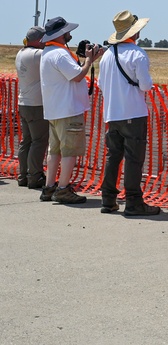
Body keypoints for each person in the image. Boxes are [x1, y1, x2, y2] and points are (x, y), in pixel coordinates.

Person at [96, 10, 161, 216]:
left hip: (112, 113)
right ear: (135, 32)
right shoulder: (137, 54)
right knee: (134, 159)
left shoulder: (107, 55)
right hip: (133, 112)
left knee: (112, 156)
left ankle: (108, 199)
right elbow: (145, 85)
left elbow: (100, 84)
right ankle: (133, 201)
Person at [39, 16, 104, 204]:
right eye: (67, 31)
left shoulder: (49, 52)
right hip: (67, 110)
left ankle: (50, 186)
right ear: (61, 34)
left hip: (55, 110)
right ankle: (62, 189)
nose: (70, 34)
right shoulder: (60, 54)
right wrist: (89, 61)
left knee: (55, 151)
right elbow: (77, 76)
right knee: (69, 151)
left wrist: (87, 60)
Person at [15, 25, 49, 189]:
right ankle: (35, 176)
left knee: (26, 141)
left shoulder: (21, 53)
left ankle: (23, 175)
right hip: (36, 104)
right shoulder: (38, 55)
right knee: (39, 141)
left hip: (24, 102)